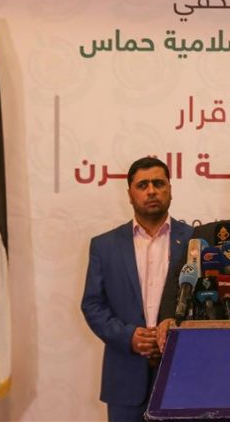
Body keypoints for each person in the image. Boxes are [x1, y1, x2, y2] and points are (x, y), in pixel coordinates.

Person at [81, 157, 193, 422]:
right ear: (130, 194)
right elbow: (92, 304)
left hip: (183, 371)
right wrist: (128, 336)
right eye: (142, 185)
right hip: (125, 376)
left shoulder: (194, 240)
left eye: (158, 183)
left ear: (170, 189)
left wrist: (176, 332)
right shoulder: (104, 245)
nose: (151, 191)